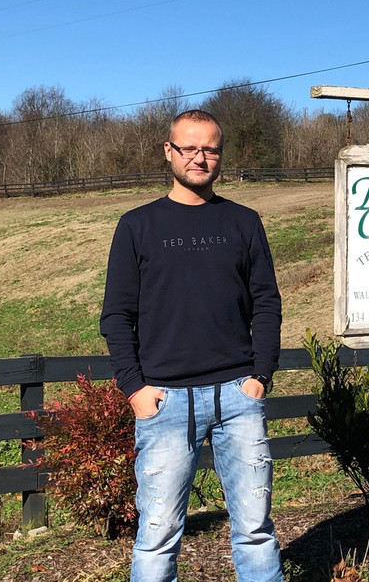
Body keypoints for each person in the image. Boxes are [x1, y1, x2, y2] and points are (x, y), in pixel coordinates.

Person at [100, 109, 284, 582]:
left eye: (210, 149)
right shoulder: (137, 226)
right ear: (169, 151)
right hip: (163, 400)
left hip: (238, 394)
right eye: (189, 148)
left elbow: (266, 303)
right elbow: (117, 316)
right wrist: (135, 390)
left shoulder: (244, 222)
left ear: (220, 154)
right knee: (157, 535)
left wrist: (261, 376)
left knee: (256, 529)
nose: (200, 158)